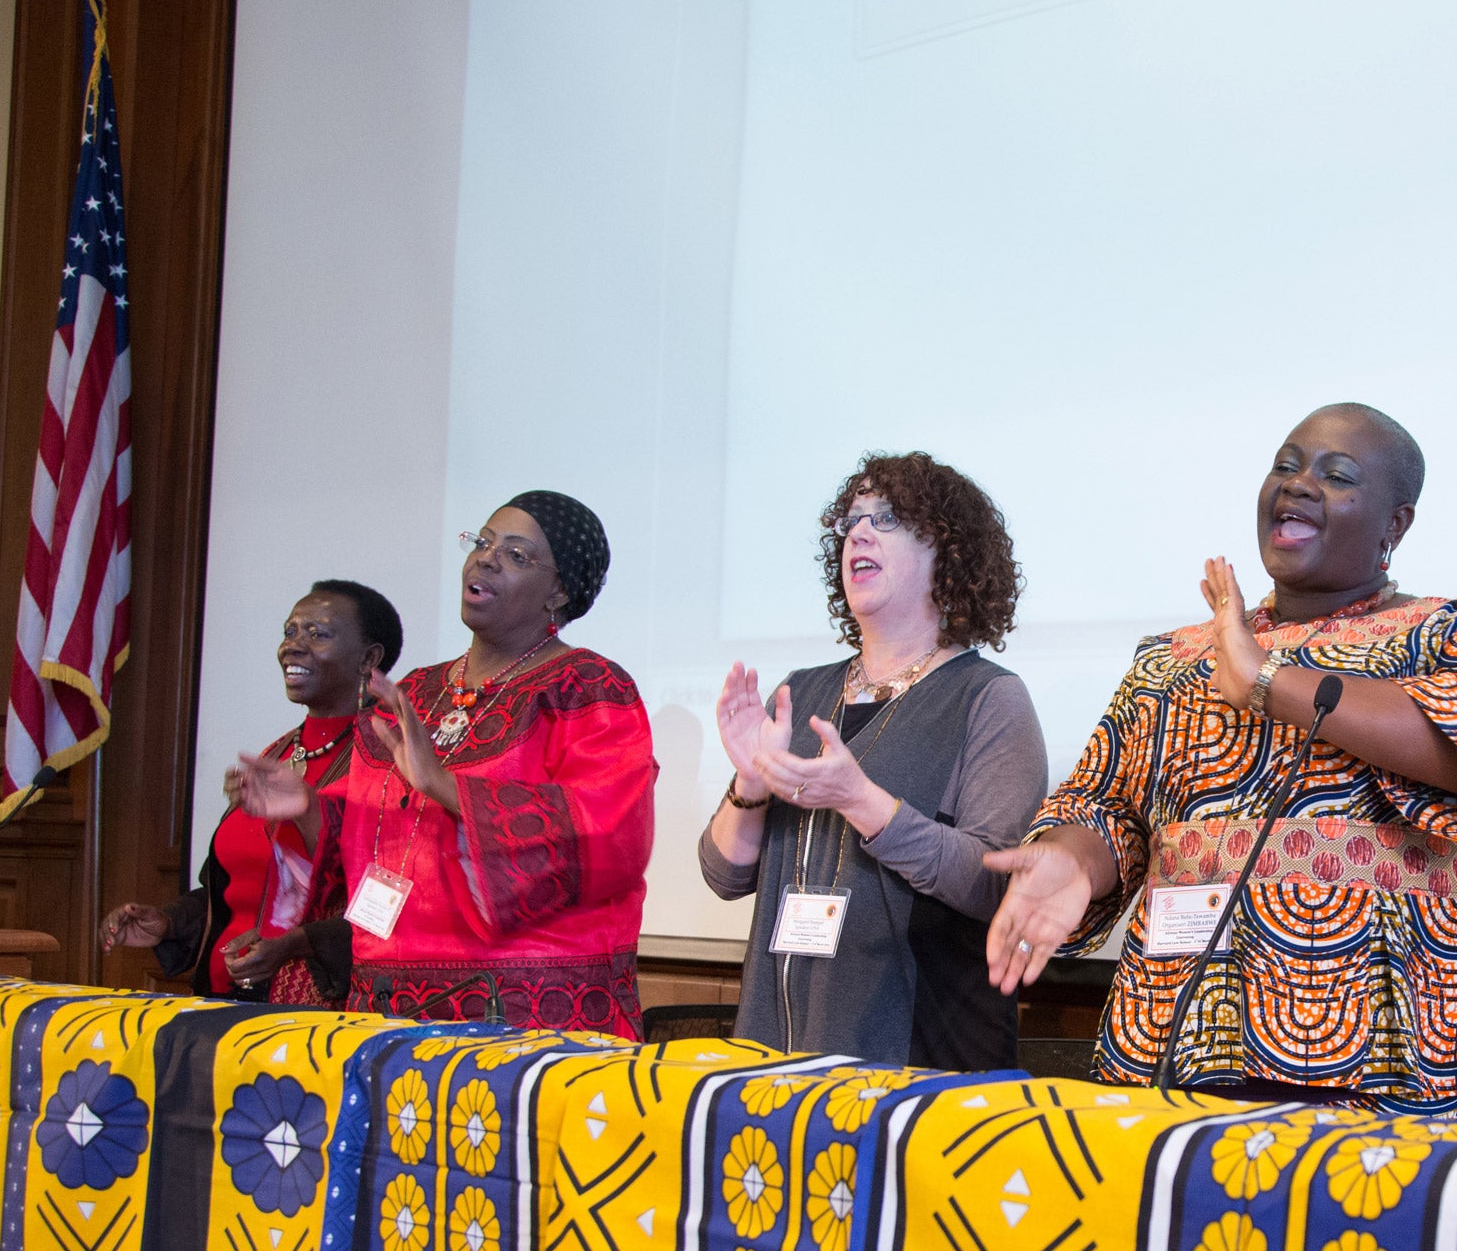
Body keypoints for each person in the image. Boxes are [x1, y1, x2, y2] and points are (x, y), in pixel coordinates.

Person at [984, 404, 1457, 1121]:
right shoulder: (1174, 659)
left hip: (1395, 1049)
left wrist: (1267, 680)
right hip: (1179, 1032)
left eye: (1337, 475)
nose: (1299, 484)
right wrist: (1072, 858)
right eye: (1286, 466)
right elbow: (1105, 805)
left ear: (1396, 523)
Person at [239, 491, 656, 1035]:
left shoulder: (588, 687)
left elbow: (609, 837)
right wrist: (308, 808)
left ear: (558, 590)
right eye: (483, 542)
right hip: (384, 1005)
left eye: (516, 554)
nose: (486, 557)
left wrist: (443, 785)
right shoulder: (417, 689)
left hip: (523, 1011)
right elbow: (374, 841)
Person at [699, 454, 1046, 1067]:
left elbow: (997, 881)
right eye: (852, 521)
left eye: (886, 519)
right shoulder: (799, 692)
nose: (857, 534)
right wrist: (750, 782)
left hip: (920, 1063)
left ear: (949, 552)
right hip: (772, 1057)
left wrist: (860, 801)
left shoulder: (988, 697)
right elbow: (724, 876)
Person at [101, 581, 402, 1003]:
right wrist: (168, 923)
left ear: (369, 658)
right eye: (290, 631)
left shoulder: (388, 758)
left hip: (314, 1015)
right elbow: (232, 887)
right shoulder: (276, 754)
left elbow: (390, 900)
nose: (293, 646)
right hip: (220, 1000)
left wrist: (295, 944)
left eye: (317, 634)